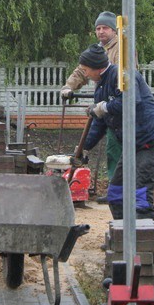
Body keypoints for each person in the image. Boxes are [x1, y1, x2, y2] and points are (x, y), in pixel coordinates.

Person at [78, 43, 154, 220]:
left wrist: (104, 107)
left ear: (97, 67)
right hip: (131, 144)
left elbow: (130, 100)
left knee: (141, 189)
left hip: (148, 138)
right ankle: (121, 233)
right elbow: (99, 124)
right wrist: (83, 148)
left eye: (86, 69)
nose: (85, 74)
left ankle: (144, 238)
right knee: (116, 192)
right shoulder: (101, 87)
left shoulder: (123, 75)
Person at [60, 11, 122, 181]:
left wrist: (104, 103)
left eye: (105, 28)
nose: (101, 31)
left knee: (115, 147)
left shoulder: (123, 48)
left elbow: (120, 77)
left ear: (114, 31)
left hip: (117, 103)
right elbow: (82, 70)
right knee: (106, 140)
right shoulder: (98, 49)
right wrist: (68, 86)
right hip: (105, 100)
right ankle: (115, 189)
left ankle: (117, 191)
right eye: (98, 28)